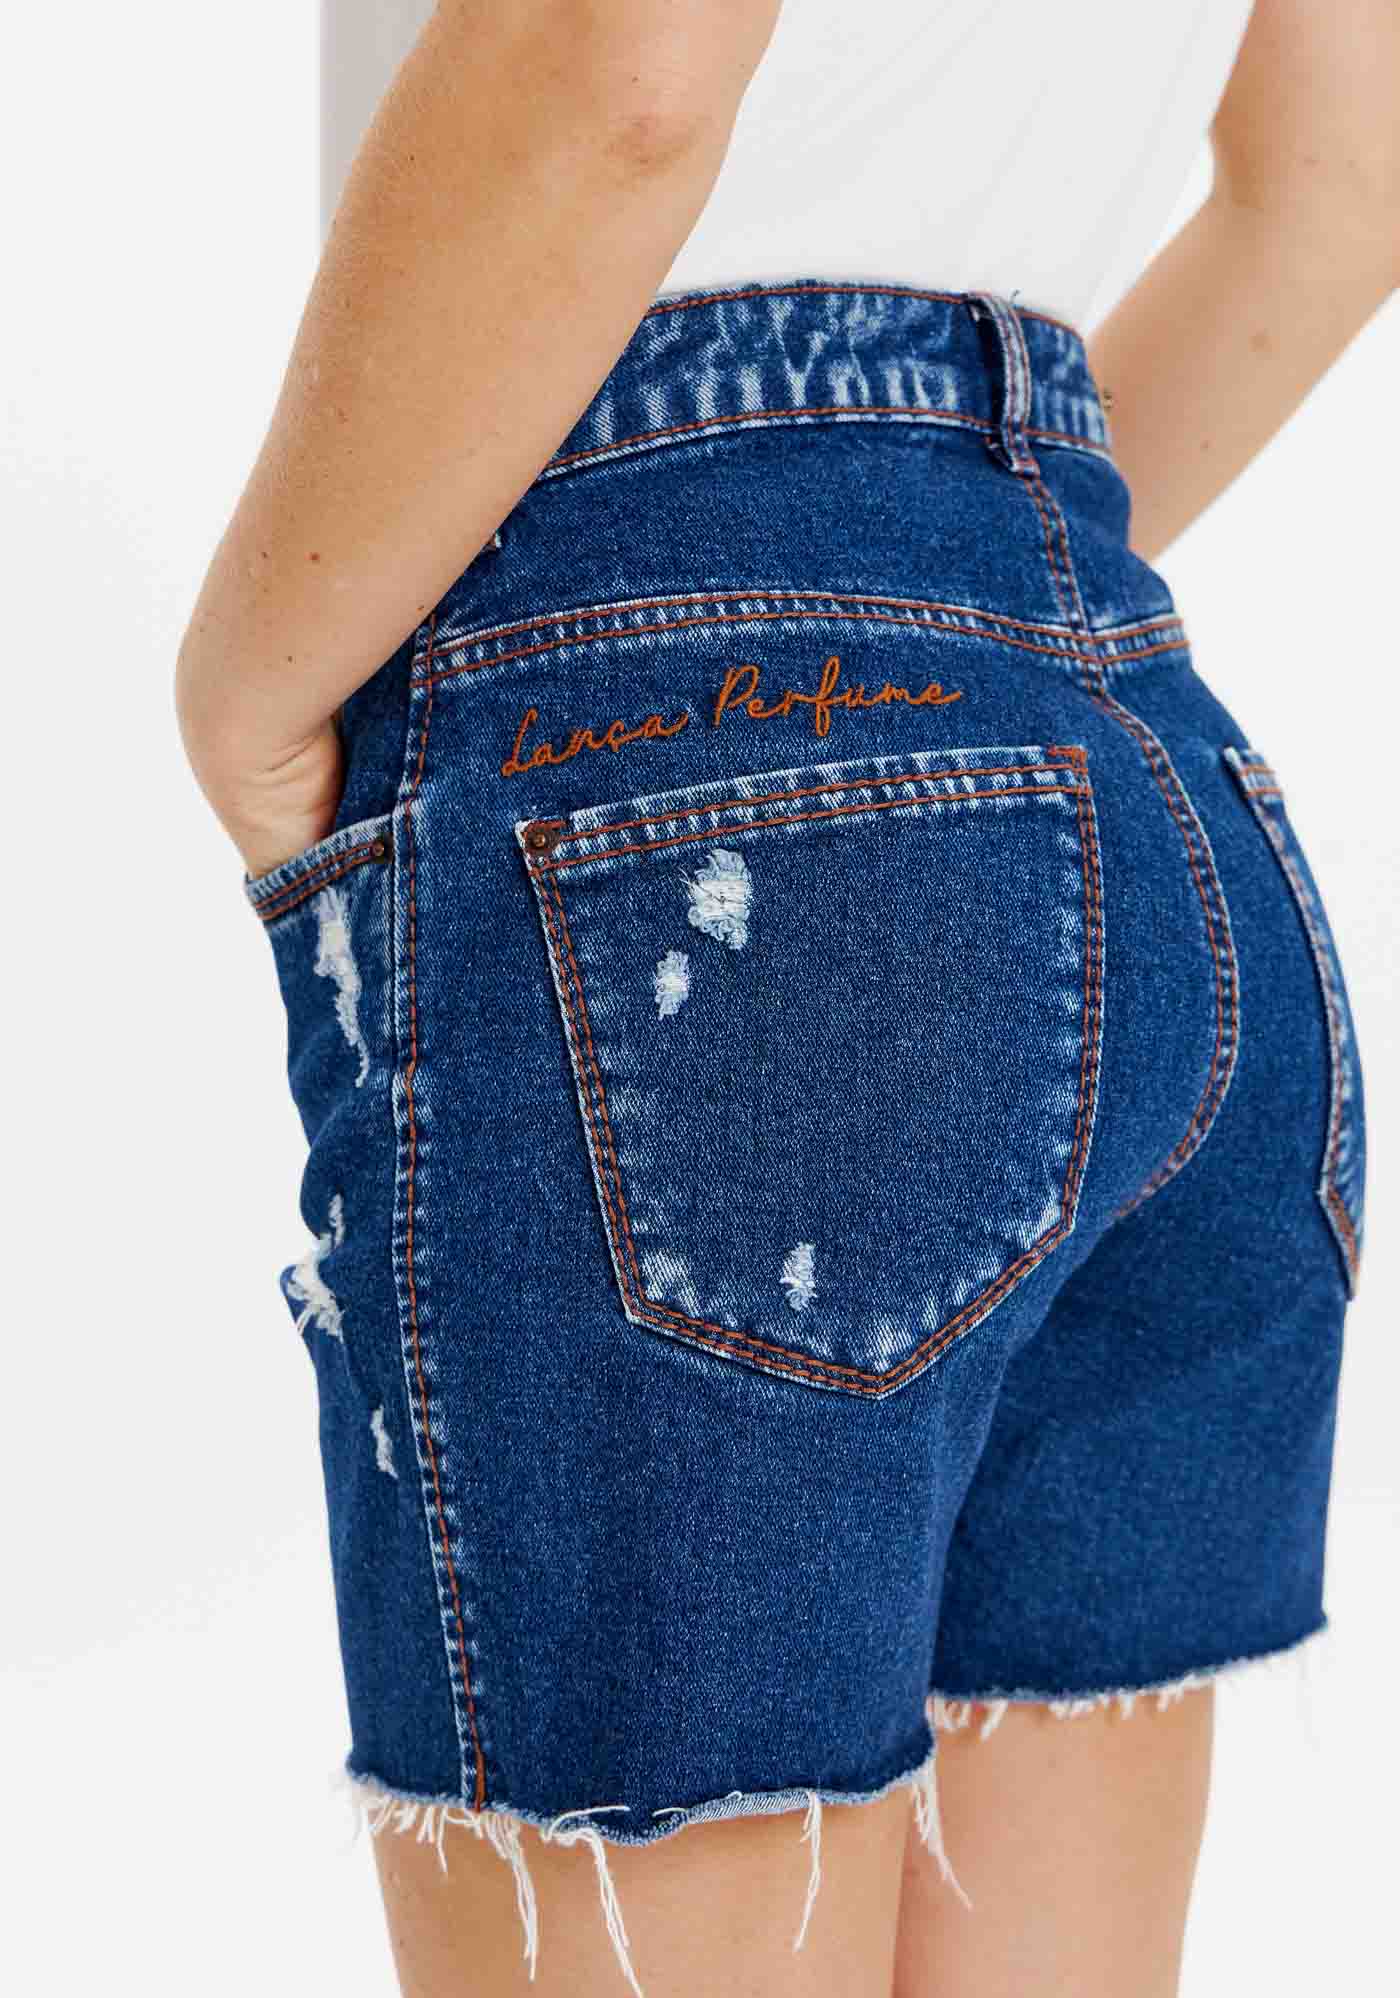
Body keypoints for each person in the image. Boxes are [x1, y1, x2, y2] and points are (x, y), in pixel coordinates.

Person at [173, 4, 1394, 1993]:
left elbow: (626, 73)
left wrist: (249, 682)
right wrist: (966, 653)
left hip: (674, 762)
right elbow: (1344, 185)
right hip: (1154, 780)